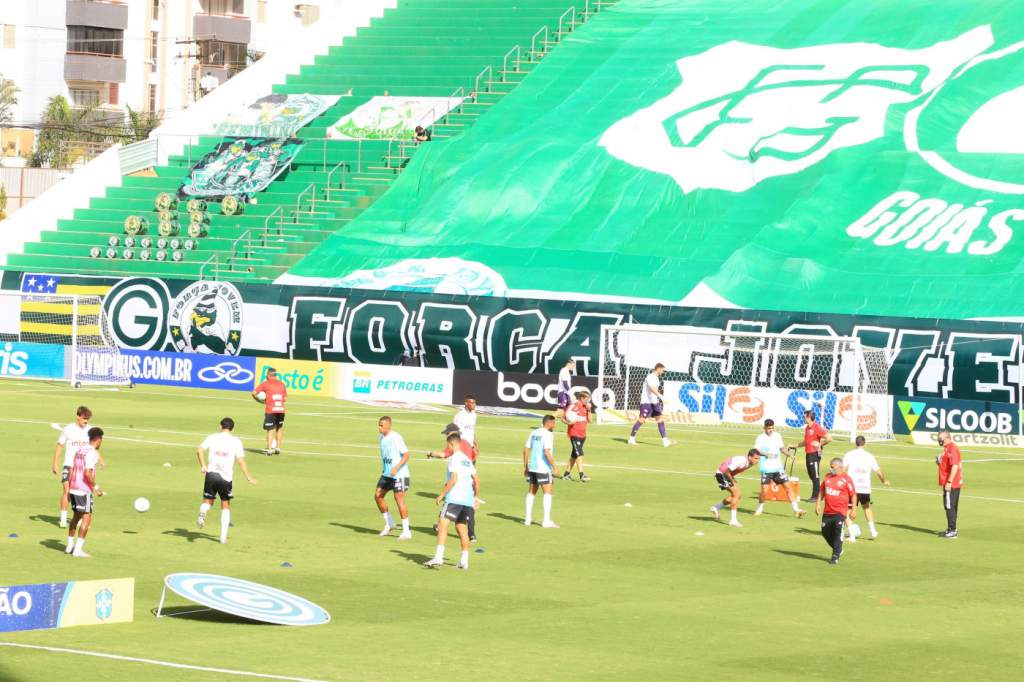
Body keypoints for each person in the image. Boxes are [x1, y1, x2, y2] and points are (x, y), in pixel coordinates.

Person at [196, 418, 258, 544]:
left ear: (221, 427)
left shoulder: (212, 437)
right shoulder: (236, 441)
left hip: (211, 474)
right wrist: (249, 478)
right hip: (226, 478)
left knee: (208, 503)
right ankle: (223, 538)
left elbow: (199, 450)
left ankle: (203, 509)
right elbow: (241, 461)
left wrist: (203, 465)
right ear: (232, 429)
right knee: (225, 506)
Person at [424, 433, 480, 569]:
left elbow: (453, 479)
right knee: (461, 529)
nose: (447, 448)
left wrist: (442, 494)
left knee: (442, 525)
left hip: (454, 498)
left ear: (452, 444)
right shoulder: (467, 460)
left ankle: (438, 557)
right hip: (466, 500)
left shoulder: (452, 459)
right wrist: (475, 497)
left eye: (448, 445)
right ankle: (464, 561)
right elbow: (477, 480)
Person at [53, 406, 104, 528]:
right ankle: (63, 519)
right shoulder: (68, 429)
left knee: (82, 492)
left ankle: (81, 519)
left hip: (81, 466)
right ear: (78, 416)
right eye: (84, 418)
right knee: (67, 490)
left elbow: (93, 447)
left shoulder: (90, 430)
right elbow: (60, 445)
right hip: (69, 464)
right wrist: (55, 462)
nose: (86, 421)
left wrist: (101, 460)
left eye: (87, 419)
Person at [427, 422, 479, 541]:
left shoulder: (453, 445)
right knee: (468, 509)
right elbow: (473, 457)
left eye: (447, 433)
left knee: (448, 509)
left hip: (456, 483)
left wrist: (431, 454)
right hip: (468, 481)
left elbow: (442, 455)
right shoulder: (466, 443)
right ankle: (472, 534)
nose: (446, 436)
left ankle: (441, 527)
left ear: (453, 434)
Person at [65, 427, 106, 558]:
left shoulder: (80, 450)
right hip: (84, 490)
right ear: (98, 440)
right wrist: (97, 487)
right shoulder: (92, 453)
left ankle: (69, 546)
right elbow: (87, 473)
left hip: (74, 487)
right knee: (86, 518)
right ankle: (78, 550)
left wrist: (69, 487)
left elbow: (72, 468)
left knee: (76, 516)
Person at [753, 419, 805, 518]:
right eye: (769, 428)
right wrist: (766, 454)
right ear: (764, 428)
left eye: (772, 428)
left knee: (788, 488)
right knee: (764, 491)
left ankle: (796, 510)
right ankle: (759, 509)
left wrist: (790, 455)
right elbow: (756, 451)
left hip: (778, 468)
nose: (771, 430)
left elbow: (782, 448)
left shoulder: (777, 436)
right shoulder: (760, 438)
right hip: (767, 468)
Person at [842, 436, 890, 540]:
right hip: (864, 488)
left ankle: (851, 536)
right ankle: (872, 531)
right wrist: (884, 481)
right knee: (866, 507)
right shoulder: (870, 456)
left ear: (855, 444)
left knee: (849, 510)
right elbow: (879, 472)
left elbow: (843, 469)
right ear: (865, 444)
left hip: (852, 488)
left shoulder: (849, 454)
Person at [815, 457, 857, 564]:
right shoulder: (827, 477)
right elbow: (822, 490)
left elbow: (853, 495)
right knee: (825, 533)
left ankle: (835, 556)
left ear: (840, 468)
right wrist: (818, 504)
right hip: (828, 511)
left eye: (832, 467)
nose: (831, 469)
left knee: (838, 532)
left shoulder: (846, 479)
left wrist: (853, 510)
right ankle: (839, 549)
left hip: (840, 511)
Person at [376, 416, 412, 539]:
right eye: (379, 425)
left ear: (388, 426)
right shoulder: (381, 438)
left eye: (381, 425)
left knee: (399, 499)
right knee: (378, 496)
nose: (379, 428)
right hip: (387, 474)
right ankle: (390, 524)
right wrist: (385, 468)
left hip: (400, 474)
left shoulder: (396, 438)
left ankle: (406, 531)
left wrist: (396, 468)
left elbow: (406, 455)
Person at [524, 415, 561, 527]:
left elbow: (526, 449)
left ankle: (527, 519)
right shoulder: (548, 435)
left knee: (531, 492)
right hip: (543, 468)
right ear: (548, 424)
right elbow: (546, 452)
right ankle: (546, 521)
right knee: (548, 493)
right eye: (554, 424)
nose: (554, 426)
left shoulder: (534, 432)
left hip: (533, 467)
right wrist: (555, 467)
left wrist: (525, 466)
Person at [627, 363, 675, 447]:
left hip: (654, 402)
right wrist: (662, 397)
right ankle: (631, 439)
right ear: (659, 368)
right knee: (641, 420)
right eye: (662, 370)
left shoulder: (656, 378)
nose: (663, 372)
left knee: (660, 419)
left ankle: (665, 441)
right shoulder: (650, 377)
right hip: (647, 403)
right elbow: (652, 388)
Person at [711, 449, 760, 527]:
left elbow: (729, 462)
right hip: (723, 474)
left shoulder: (750, 463)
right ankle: (733, 520)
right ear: (750, 457)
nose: (757, 461)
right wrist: (719, 472)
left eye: (758, 459)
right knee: (735, 494)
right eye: (756, 458)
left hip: (727, 474)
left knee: (738, 495)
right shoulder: (741, 461)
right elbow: (726, 471)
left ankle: (716, 507)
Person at [799, 410, 832, 504]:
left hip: (814, 454)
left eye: (804, 417)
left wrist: (820, 444)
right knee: (811, 474)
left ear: (809, 417)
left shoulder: (816, 427)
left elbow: (829, 438)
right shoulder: (807, 428)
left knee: (815, 475)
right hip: (808, 453)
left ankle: (816, 496)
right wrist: (794, 445)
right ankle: (819, 495)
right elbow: (806, 442)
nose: (803, 418)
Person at [253, 368, 287, 456]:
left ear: (268, 375)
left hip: (271, 409)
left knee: (270, 430)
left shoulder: (265, 384)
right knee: (279, 428)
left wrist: (259, 400)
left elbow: (254, 393)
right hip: (281, 409)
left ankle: (269, 451)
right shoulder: (282, 384)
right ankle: (278, 448)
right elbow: (285, 399)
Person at [562, 390, 593, 482]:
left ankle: (566, 475)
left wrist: (589, 409)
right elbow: (563, 419)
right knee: (580, 453)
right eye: (587, 399)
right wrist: (568, 423)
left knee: (574, 455)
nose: (588, 401)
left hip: (583, 434)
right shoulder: (572, 406)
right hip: (574, 434)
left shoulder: (586, 407)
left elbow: (590, 420)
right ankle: (582, 476)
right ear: (581, 398)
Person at [936, 429, 962, 538]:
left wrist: (949, 482)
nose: (939, 441)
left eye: (940, 439)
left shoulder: (952, 448)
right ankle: (951, 529)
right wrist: (939, 463)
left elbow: (955, 465)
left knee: (949, 506)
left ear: (947, 437)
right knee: (951, 505)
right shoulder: (947, 448)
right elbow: (947, 465)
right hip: (950, 482)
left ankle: (952, 530)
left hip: (951, 483)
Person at [452, 394, 480, 459]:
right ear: (466, 403)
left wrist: (476, 444)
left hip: (471, 445)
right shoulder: (460, 416)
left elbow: (472, 430)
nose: (474, 405)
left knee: (472, 465)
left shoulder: (474, 415)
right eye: (472, 403)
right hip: (462, 446)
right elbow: (454, 432)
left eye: (475, 403)